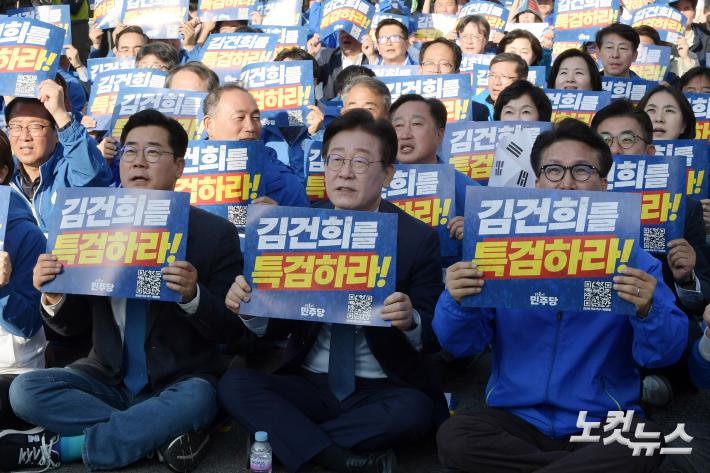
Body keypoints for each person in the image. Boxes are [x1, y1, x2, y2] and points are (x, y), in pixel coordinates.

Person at [434, 118, 688, 473]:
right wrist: (457, 302)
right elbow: (461, 344)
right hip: (517, 418)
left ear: (603, 183)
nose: (567, 182)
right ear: (537, 181)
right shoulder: (501, 252)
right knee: (455, 435)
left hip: (601, 421)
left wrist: (649, 311)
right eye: (553, 170)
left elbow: (664, 353)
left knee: (639, 444)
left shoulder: (635, 261)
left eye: (583, 171)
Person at [6, 109, 243, 472]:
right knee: (25, 392)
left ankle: (67, 448)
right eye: (130, 151)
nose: (138, 162)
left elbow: (232, 331)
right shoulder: (87, 222)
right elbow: (70, 330)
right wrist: (54, 296)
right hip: (105, 376)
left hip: (179, 381)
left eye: (153, 153)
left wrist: (194, 297)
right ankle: (158, 436)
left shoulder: (215, 234)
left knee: (198, 398)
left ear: (179, 166)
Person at [218, 110, 446, 473]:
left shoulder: (417, 239)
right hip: (310, 381)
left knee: (414, 411)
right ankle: (340, 459)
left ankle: (289, 441)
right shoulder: (297, 226)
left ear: (387, 173)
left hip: (383, 387)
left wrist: (411, 319)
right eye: (335, 160)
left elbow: (436, 332)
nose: (344, 172)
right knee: (234, 384)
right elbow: (276, 330)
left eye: (360, 161)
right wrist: (251, 307)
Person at [591, 99, 708, 406]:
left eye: (627, 140)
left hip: (654, 320)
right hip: (592, 316)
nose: (616, 149)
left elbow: (700, 297)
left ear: (650, 152)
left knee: (686, 337)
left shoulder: (685, 209)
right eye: (604, 141)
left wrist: (686, 278)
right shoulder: (572, 205)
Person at [6, 79, 112, 232]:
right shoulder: (4, 176)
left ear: (57, 133)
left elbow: (91, 176)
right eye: (15, 127)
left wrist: (59, 113)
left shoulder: (71, 172)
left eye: (35, 126)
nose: (24, 136)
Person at [389, 94, 479, 265]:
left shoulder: (467, 190)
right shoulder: (375, 182)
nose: (405, 134)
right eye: (398, 125)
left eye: (416, 124)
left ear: (439, 134)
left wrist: (474, 234)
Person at [0, 130, 46, 438]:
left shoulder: (26, 235)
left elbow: (30, 324)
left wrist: (2, 289)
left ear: (2, 172)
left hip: (12, 372)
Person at [201, 84, 309, 207]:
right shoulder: (181, 173)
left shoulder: (287, 184)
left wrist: (277, 219)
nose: (251, 127)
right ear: (210, 125)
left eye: (256, 118)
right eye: (240, 117)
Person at [419, 38, 490, 120]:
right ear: (420, 69)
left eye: (444, 64)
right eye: (429, 63)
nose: (436, 70)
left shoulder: (475, 111)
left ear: (457, 73)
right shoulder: (403, 107)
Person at [473, 52, 529, 119]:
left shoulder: (533, 107)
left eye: (504, 76)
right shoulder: (474, 104)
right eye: (492, 75)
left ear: (522, 81)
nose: (496, 82)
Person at [317, 30, 369, 100]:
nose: (346, 36)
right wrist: (310, 54)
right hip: (332, 109)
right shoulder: (327, 56)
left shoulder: (371, 57)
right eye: (343, 32)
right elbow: (309, 81)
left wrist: (372, 57)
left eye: (351, 31)